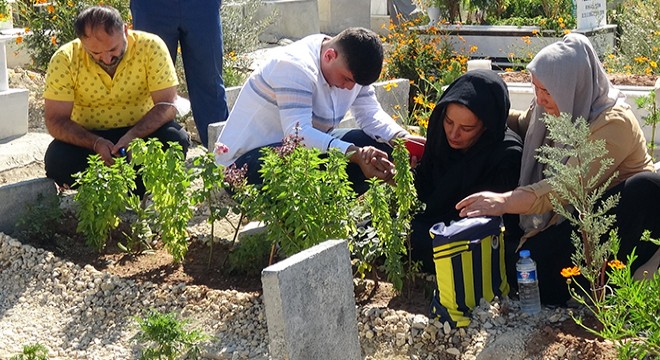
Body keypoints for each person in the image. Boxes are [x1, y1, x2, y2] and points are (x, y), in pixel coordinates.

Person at [456, 33, 660, 305]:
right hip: (575, 217)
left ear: (571, 87)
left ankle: (608, 283)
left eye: (547, 92)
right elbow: (522, 125)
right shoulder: (552, 109)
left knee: (644, 187)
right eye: (536, 89)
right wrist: (477, 113)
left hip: (617, 222)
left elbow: (563, 187)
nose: (540, 100)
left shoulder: (613, 124)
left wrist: (504, 201)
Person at [215, 27, 425, 195]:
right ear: (329, 56)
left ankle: (325, 220)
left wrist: (403, 140)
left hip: (295, 150)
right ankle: (292, 231)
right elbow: (298, 135)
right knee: (329, 160)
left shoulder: (348, 68)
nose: (350, 88)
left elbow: (371, 114)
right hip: (244, 164)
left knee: (377, 147)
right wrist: (354, 154)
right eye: (347, 79)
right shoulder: (293, 66)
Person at [43, 5, 191, 194]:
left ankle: (138, 190)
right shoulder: (65, 58)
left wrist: (132, 137)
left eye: (113, 48)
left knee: (175, 139)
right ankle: (107, 192)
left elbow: (167, 105)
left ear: (125, 30)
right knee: (57, 159)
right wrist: (96, 143)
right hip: (89, 138)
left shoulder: (151, 46)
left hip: (142, 134)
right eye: (95, 53)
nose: (106, 58)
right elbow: (56, 120)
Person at [410, 69, 523, 273]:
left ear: (486, 125)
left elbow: (499, 224)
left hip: (477, 236)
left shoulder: (506, 154)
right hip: (436, 225)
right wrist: (405, 176)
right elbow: (429, 191)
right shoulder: (442, 140)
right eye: (449, 122)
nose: (454, 134)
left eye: (467, 128)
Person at [130, 0, 228, 147]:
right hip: (151, 6)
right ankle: (149, 161)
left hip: (201, 6)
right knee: (150, 88)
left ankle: (223, 158)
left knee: (209, 85)